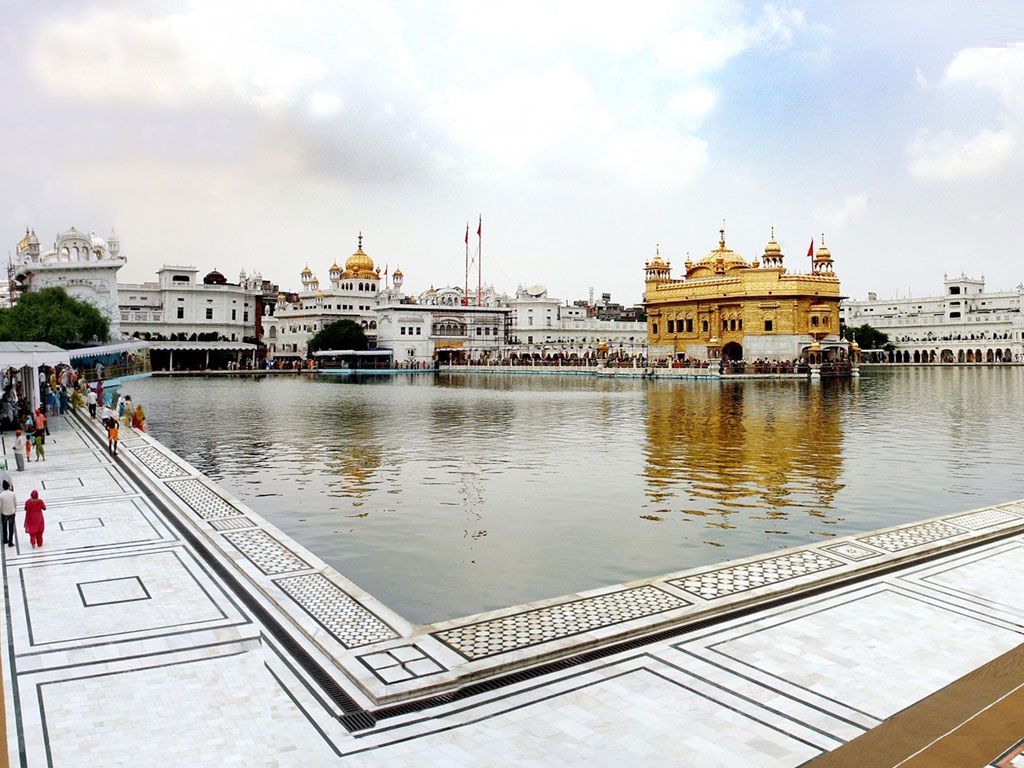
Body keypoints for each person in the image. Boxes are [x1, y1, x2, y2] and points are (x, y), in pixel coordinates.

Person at [0, 480, 15, 546]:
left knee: (4, 527)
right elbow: (15, 503)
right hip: (11, 512)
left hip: (4, 513)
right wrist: (14, 509)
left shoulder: (1, 495)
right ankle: (10, 542)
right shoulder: (12, 494)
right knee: (11, 528)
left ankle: (5, 540)